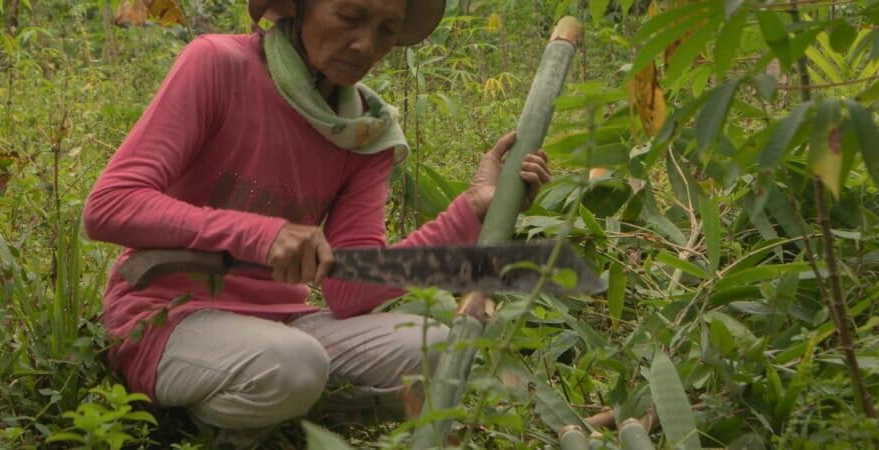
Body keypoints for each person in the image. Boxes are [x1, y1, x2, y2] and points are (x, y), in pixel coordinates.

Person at [82, 0, 551, 445]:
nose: (366, 45)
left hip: (283, 324)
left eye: (386, 30)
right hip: (168, 314)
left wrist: (472, 209)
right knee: (295, 366)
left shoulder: (364, 132)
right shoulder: (218, 64)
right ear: (295, 6)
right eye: (349, 17)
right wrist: (261, 236)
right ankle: (215, 421)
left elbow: (351, 288)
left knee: (442, 348)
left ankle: (286, 411)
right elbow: (111, 205)